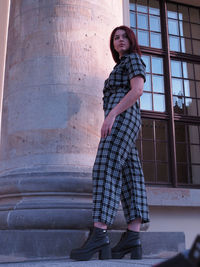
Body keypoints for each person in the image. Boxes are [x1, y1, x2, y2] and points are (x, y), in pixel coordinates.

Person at [70, 25, 150, 261]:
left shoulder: (133, 60)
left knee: (104, 167)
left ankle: (99, 233)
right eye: (116, 37)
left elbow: (137, 90)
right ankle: (133, 238)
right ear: (112, 44)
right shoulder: (121, 65)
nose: (120, 40)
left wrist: (112, 114)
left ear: (132, 40)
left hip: (122, 117)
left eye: (125, 36)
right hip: (126, 119)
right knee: (130, 174)